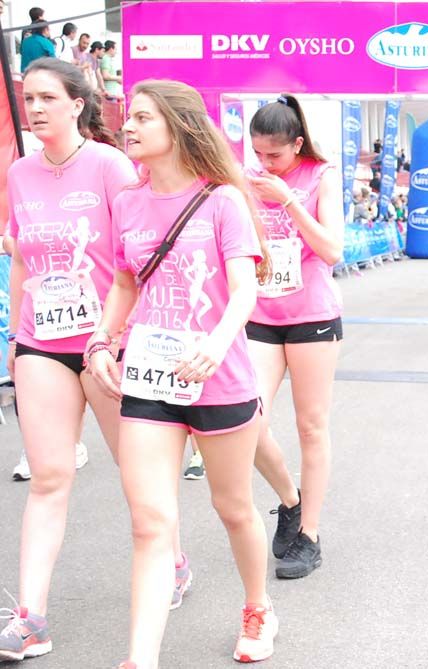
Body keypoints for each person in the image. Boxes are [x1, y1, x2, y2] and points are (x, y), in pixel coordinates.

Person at [86, 79, 277, 667]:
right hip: (148, 378)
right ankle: (140, 659)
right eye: (130, 118)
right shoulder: (127, 203)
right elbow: (124, 281)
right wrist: (100, 338)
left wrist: (218, 343)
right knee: (150, 522)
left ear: (179, 125)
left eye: (143, 117)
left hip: (218, 377)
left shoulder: (222, 199)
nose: (130, 126)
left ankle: (258, 606)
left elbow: (244, 288)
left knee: (233, 507)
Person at [0, 57, 137, 663]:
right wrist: (14, 336)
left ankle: (173, 560)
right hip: (40, 343)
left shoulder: (110, 165)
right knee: (50, 477)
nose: (33, 108)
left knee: (138, 475)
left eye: (46, 98)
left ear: (77, 103)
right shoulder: (20, 172)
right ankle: (31, 618)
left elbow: (137, 256)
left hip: (105, 343)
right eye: (28, 98)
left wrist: (116, 334)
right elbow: (22, 256)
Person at [245, 94, 345, 579]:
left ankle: (309, 535)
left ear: (297, 145)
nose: (265, 164)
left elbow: (332, 251)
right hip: (260, 314)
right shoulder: (243, 181)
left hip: (311, 316)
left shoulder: (320, 177)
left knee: (311, 426)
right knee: (246, 418)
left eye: (275, 156)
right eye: (257, 154)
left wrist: (287, 201)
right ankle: (289, 498)